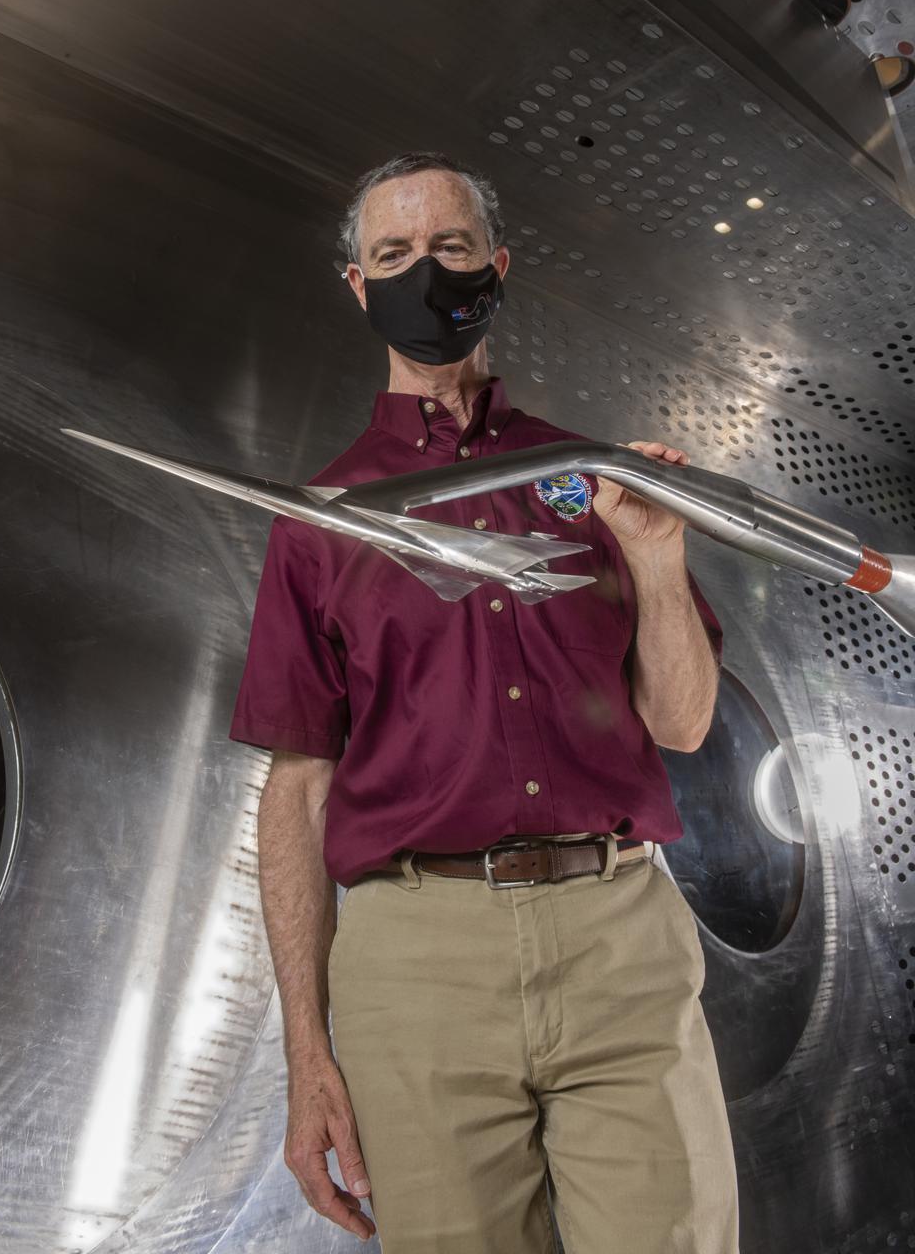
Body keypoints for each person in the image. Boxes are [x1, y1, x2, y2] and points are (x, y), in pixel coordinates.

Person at [229, 150, 740, 1253]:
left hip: (617, 937)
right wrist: (307, 1052)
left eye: (450, 246)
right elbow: (300, 787)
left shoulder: (595, 478)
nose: (425, 272)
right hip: (418, 962)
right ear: (358, 286)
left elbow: (684, 722)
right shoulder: (323, 519)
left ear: (496, 267)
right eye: (394, 254)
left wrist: (656, 558)